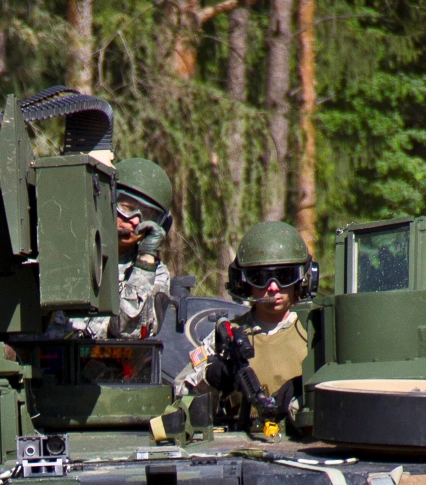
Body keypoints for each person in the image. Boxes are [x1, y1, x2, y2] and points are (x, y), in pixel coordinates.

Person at [177, 221, 318, 432]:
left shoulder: (315, 332)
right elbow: (180, 394)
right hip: (240, 441)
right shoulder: (229, 336)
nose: (273, 287)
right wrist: (210, 378)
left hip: (302, 442)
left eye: (284, 277)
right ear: (244, 283)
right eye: (261, 278)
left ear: (303, 279)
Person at [55, 157, 175, 341]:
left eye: (147, 215)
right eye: (127, 208)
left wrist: (145, 260)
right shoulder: (64, 251)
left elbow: (127, 331)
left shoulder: (155, 273)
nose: (135, 220)